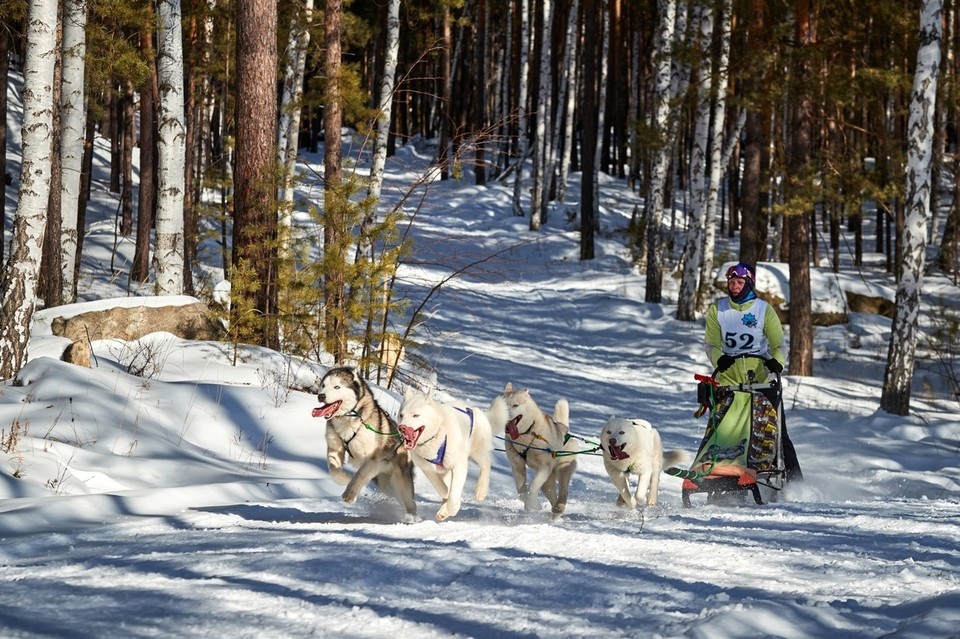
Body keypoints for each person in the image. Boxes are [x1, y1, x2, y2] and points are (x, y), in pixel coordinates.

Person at [704, 261, 802, 483]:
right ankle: (721, 477)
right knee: (725, 431)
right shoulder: (717, 309)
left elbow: (779, 345)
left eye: (739, 282)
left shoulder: (763, 310)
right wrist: (720, 360)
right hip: (729, 380)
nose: (734, 286)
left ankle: (796, 483)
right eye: (731, 282)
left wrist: (776, 363)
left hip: (761, 379)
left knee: (777, 433)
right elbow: (712, 344)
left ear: (748, 283)